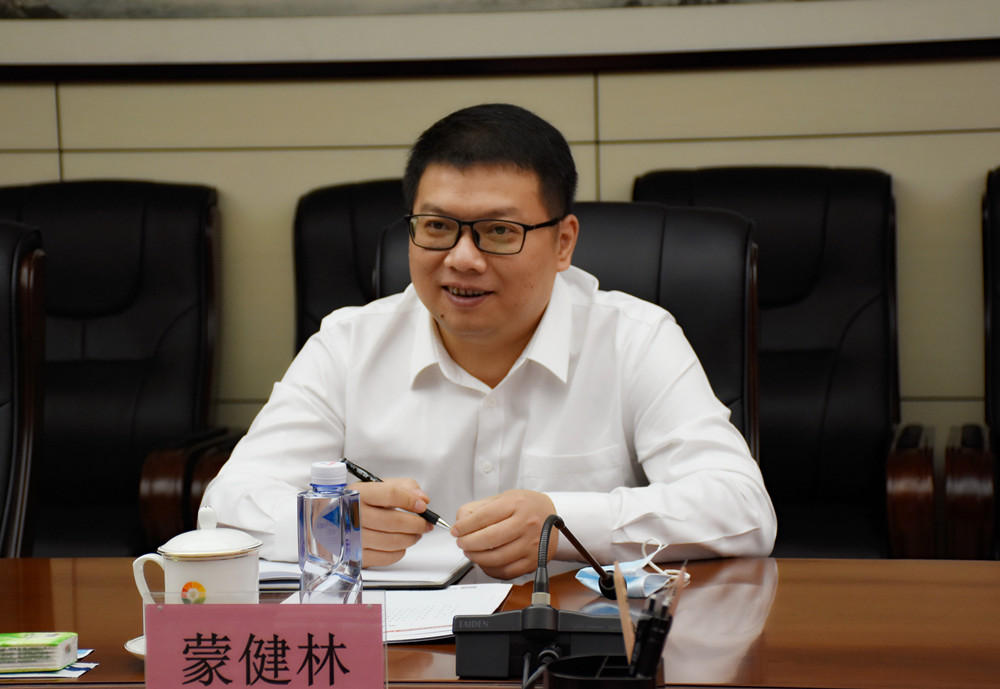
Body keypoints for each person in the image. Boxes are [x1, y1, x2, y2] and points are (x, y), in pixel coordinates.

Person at [203, 103, 776, 580]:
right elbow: (225, 505)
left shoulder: (635, 339)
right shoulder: (349, 345)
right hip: (397, 651)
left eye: (499, 231)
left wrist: (564, 523)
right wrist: (332, 526)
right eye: (436, 226)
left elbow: (742, 508)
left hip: (568, 642)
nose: (462, 258)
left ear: (563, 243)